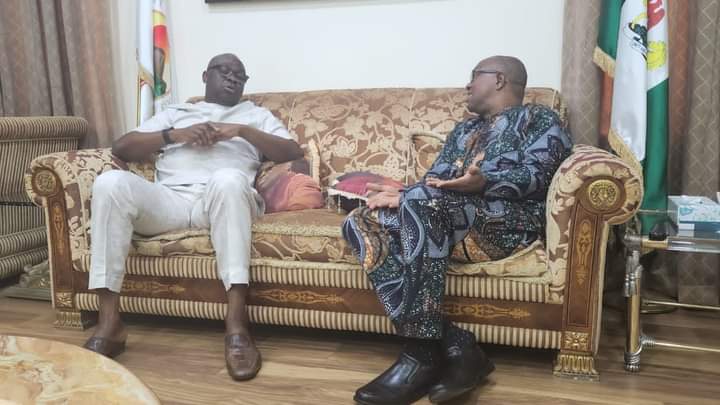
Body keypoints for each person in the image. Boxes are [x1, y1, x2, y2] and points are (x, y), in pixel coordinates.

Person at [341, 55, 573, 404]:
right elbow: (434, 184)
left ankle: (420, 354)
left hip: (506, 222)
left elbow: (541, 175)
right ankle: (456, 345)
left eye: (474, 76)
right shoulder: (464, 130)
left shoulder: (538, 119)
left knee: (422, 202)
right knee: (361, 220)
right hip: (442, 217)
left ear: (499, 80)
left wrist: (485, 181)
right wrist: (403, 194)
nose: (467, 84)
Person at [82, 53, 303, 381]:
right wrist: (175, 135)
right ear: (205, 76)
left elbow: (293, 151)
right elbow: (122, 147)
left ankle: (237, 327)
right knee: (110, 182)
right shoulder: (176, 113)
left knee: (228, 179)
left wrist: (241, 131)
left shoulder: (255, 115)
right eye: (224, 71)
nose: (232, 77)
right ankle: (109, 323)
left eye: (240, 75)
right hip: (169, 199)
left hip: (220, 201)